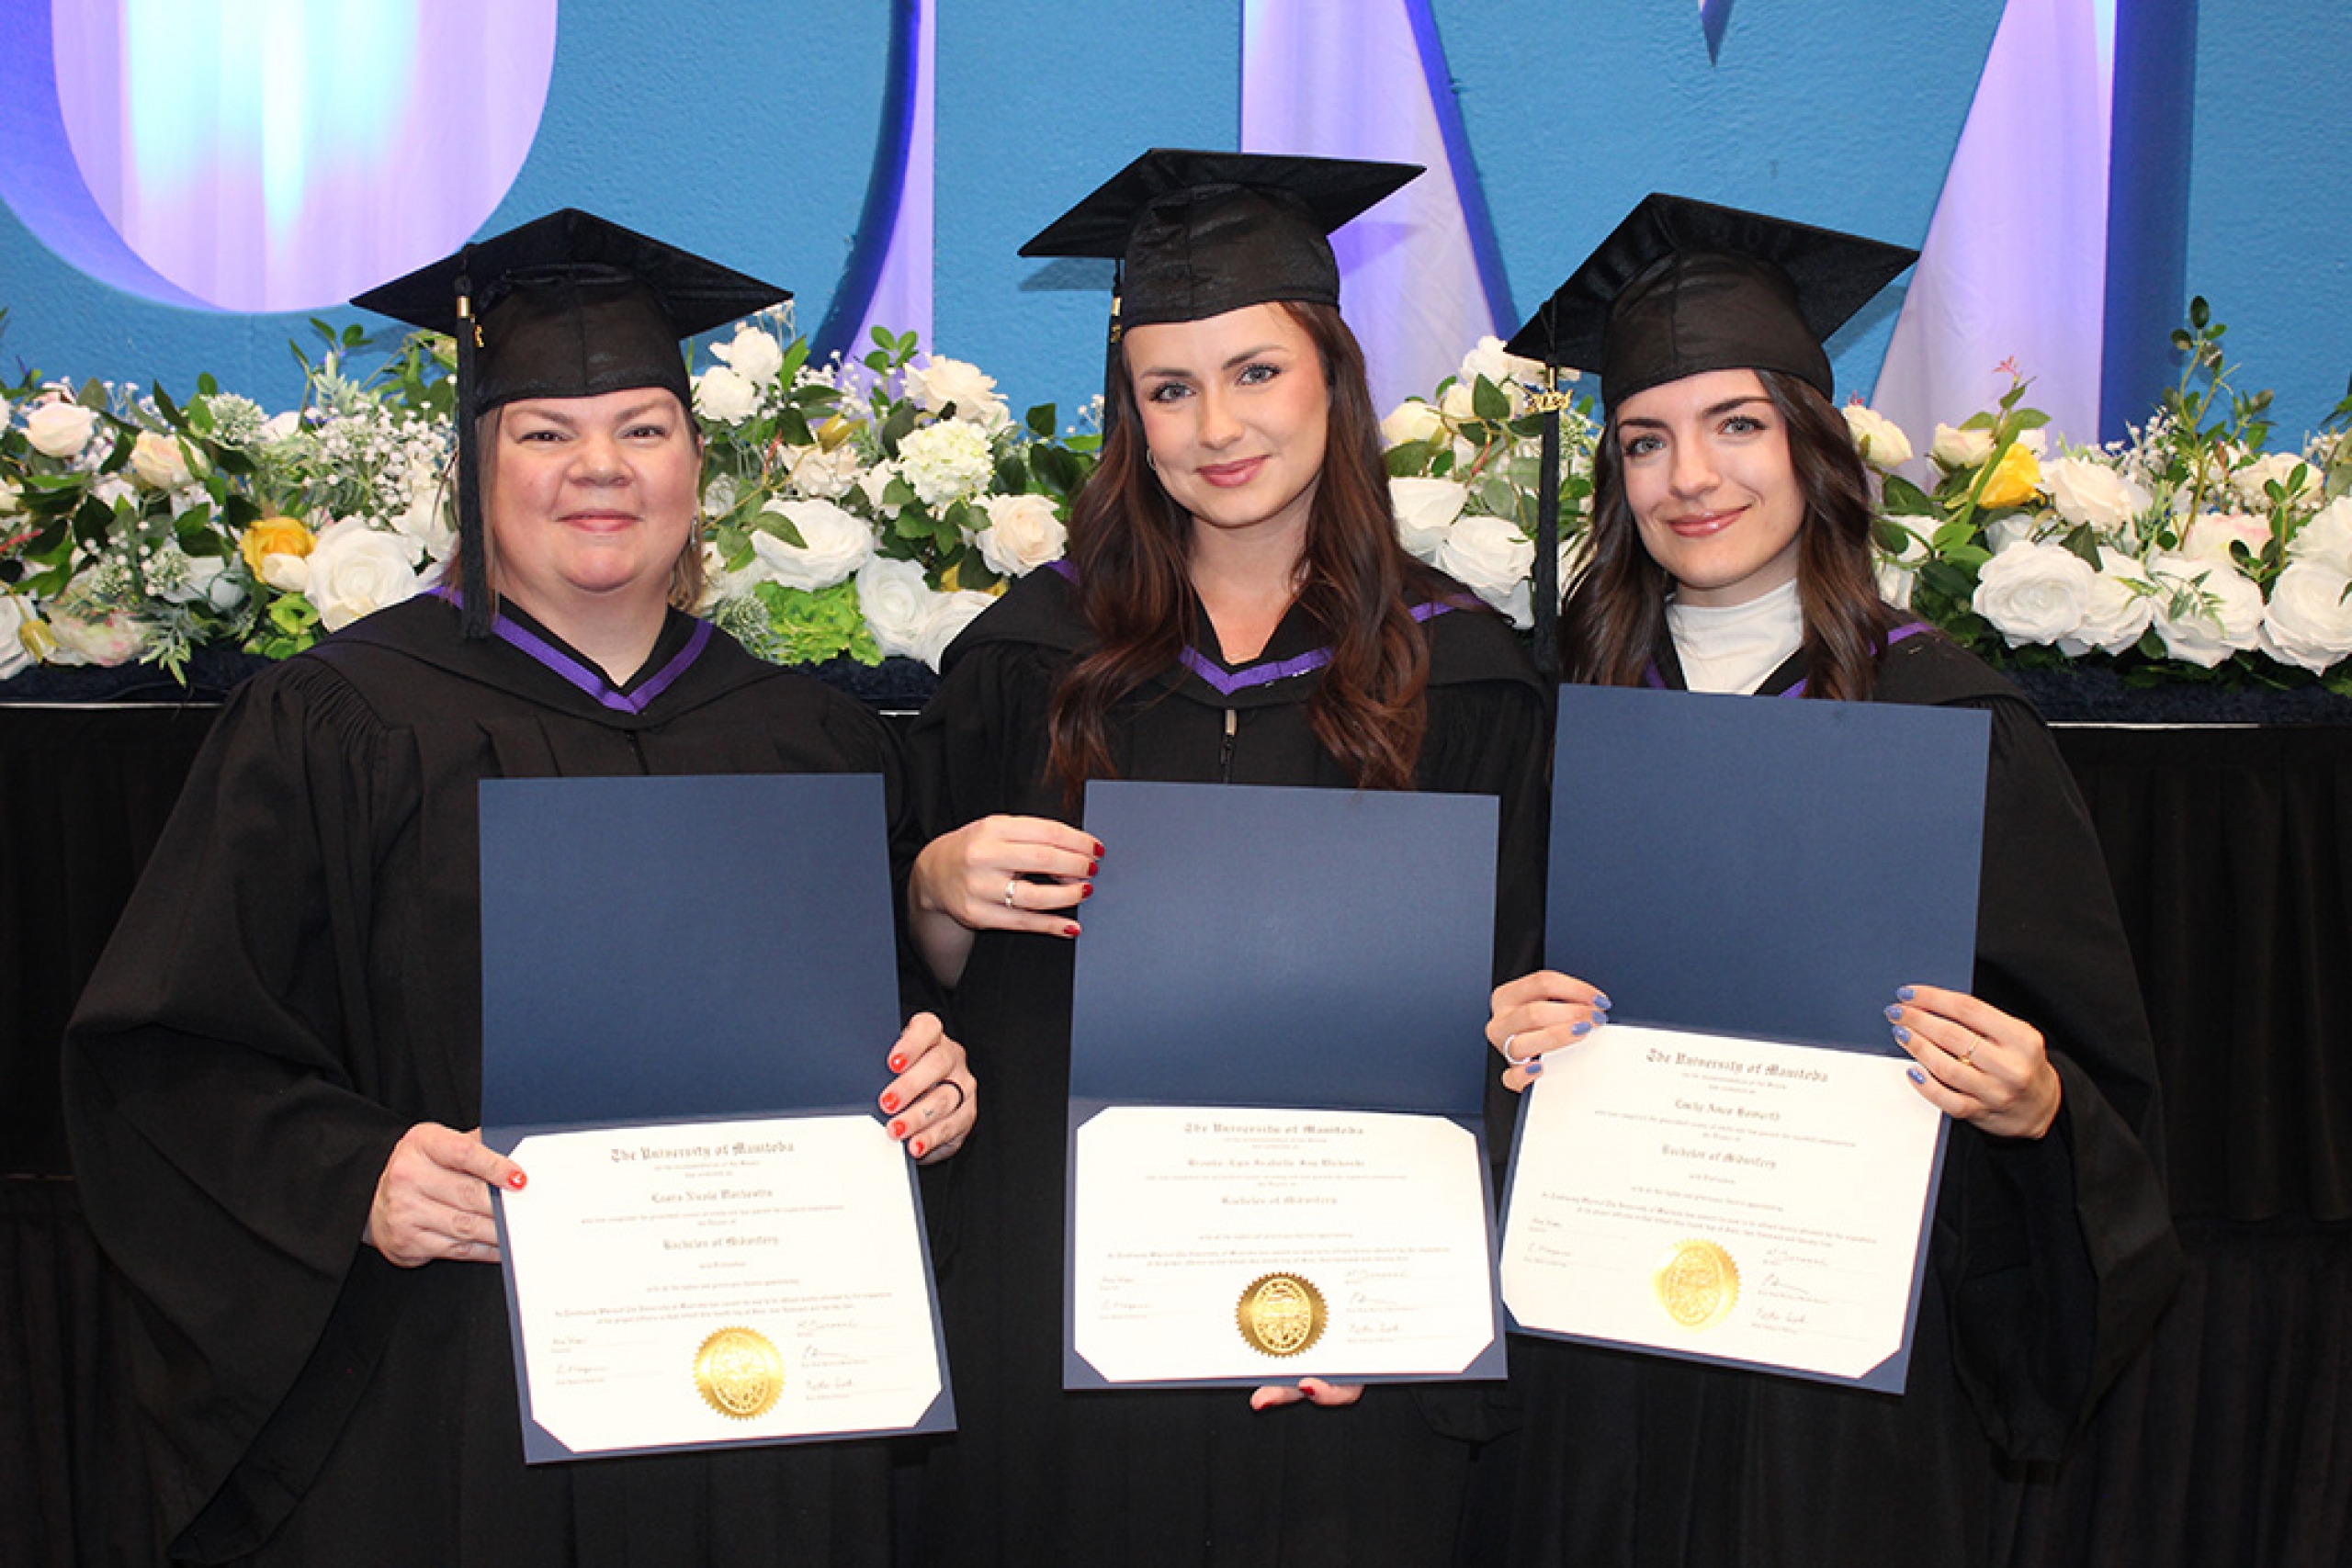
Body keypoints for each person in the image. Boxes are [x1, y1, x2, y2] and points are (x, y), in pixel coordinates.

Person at [62, 209, 975, 1567]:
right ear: (472, 470)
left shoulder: (804, 735)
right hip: (456, 1395)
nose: (599, 468)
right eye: (544, 431)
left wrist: (930, 1078)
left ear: (699, 466)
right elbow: (167, 1053)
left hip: (767, 1394)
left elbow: (868, 1031)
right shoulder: (341, 722)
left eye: (644, 429)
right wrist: (355, 1171)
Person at [1483, 195, 2181, 1567]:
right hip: (1585, 1369)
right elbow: (1452, 1014)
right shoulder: (1552, 714)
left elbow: (2094, 1088)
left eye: (1736, 423)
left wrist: (2034, 1101)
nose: (1691, 475)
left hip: (1844, 1372)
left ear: (1814, 436)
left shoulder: (1951, 720)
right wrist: (1492, 1025)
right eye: (1644, 439)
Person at [902, 150, 1550, 1566]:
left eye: (1256, 372)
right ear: (1130, 415)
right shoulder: (1030, 660)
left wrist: (1396, 1293)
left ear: (1332, 371)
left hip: (1349, 1325)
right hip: (1067, 1299)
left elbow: (1517, 1026)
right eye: (1170, 389)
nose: (1217, 428)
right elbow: (919, 1005)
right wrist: (934, 889)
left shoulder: (1471, 679)